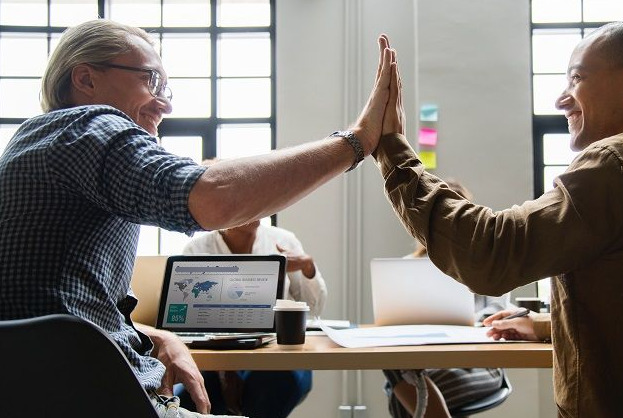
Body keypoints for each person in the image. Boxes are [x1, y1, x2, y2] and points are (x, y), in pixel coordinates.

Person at [0, 19, 397, 418]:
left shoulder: (29, 145)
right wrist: (357, 141)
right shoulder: (91, 128)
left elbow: (61, 308)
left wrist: (153, 335)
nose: (166, 104)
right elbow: (213, 198)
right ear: (86, 79)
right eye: (150, 80)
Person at [373, 22, 623, 417]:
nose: (562, 100)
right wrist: (547, 326)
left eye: (577, 78)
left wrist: (393, 150)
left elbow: (490, 250)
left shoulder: (618, 163)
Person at [175, 179, 327, 416]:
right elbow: (191, 322)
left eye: (257, 200)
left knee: (275, 384)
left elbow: (315, 308)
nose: (256, 207)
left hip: (275, 357)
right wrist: (225, 370)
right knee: (189, 395)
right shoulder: (196, 251)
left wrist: (307, 267)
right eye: (244, 201)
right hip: (214, 360)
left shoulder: (283, 241)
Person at [382, 178, 513, 418]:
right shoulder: (408, 267)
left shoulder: (484, 265)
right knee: (393, 367)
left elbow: (497, 317)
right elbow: (394, 315)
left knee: (402, 394)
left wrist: (467, 323)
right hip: (426, 362)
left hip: (478, 365)